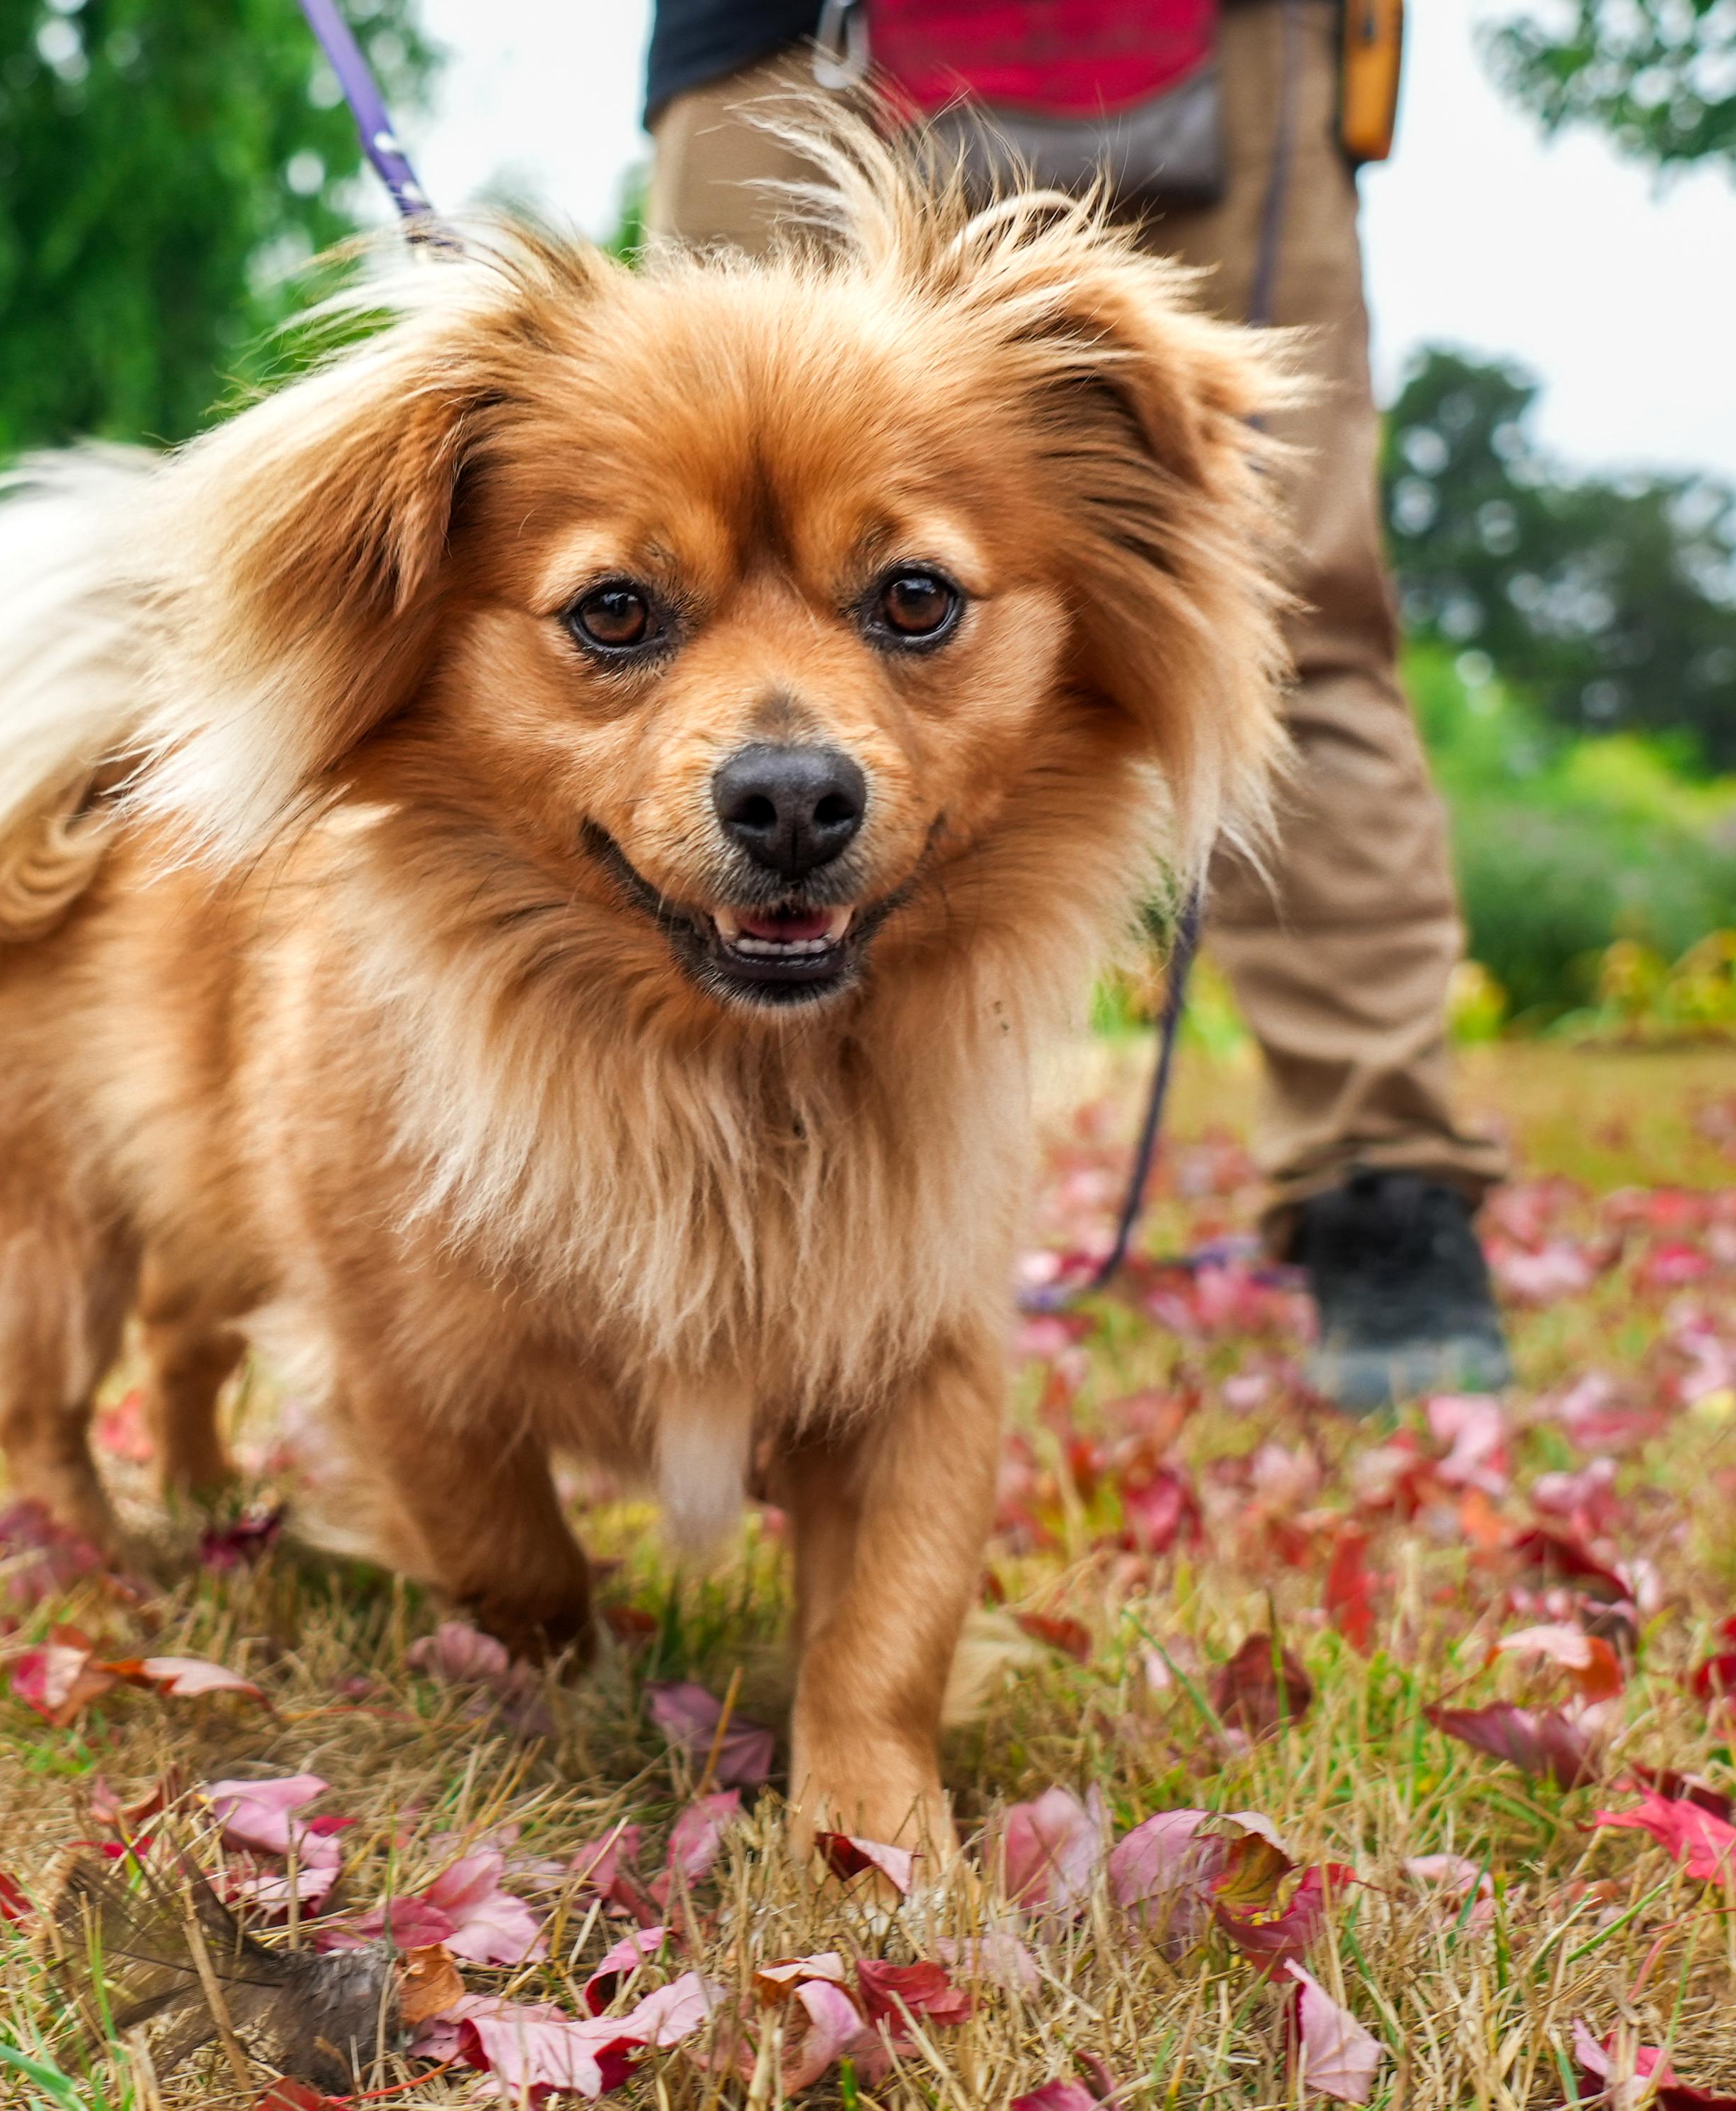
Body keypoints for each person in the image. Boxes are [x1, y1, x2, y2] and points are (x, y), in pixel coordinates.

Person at [643, 0, 1514, 1409]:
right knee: (706, 559)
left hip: (1221, 46)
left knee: (1293, 610)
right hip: (780, 41)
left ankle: (1381, 1184)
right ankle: (711, 1244)